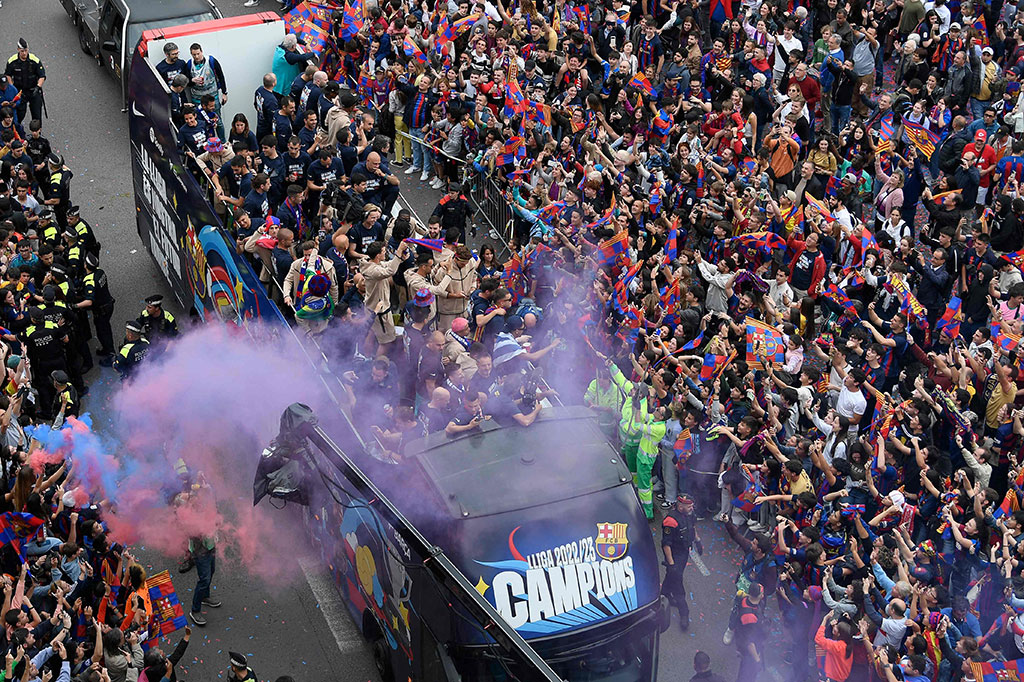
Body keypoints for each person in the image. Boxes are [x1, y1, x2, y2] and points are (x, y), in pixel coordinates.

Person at [662, 494, 701, 630]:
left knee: (671, 577)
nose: (691, 507)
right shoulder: (670, 521)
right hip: (674, 554)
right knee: (677, 583)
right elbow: (666, 545)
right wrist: (671, 564)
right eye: (688, 506)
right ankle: (684, 613)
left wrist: (698, 540)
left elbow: (693, 527)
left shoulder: (690, 513)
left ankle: (664, 595)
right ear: (680, 506)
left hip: (684, 552)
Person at [188, 43, 227, 139]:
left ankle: (223, 141)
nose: (196, 57)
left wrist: (224, 93)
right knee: (201, 123)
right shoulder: (189, 64)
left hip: (212, 97)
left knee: (218, 121)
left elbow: (221, 76)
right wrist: (192, 80)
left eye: (198, 54)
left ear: (202, 52)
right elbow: (186, 81)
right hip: (198, 99)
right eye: (194, 55)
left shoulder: (211, 61)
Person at [4, 38, 44, 122]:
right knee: (19, 114)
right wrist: (12, 87)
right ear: (18, 50)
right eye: (22, 51)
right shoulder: (12, 61)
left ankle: (37, 133)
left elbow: (42, 76)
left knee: (37, 115)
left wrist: (38, 87)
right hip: (20, 92)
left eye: (26, 50)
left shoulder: (35, 60)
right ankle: (17, 130)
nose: (24, 53)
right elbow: (8, 75)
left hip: (33, 90)